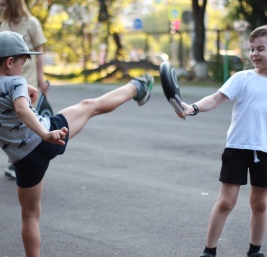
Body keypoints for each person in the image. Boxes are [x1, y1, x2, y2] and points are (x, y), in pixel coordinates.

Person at [0, 31, 154, 257]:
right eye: (23, 63)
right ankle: (137, 86)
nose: (23, 69)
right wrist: (45, 133)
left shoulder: (12, 84)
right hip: (49, 137)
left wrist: (26, 91)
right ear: (10, 61)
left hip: (23, 161)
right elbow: (22, 109)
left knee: (30, 216)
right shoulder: (16, 82)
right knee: (91, 105)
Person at [178, 25, 267, 257]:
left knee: (260, 204)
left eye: (260, 49)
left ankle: (254, 251)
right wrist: (192, 108)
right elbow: (215, 99)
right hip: (237, 148)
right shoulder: (241, 78)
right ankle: (209, 251)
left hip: (265, 151)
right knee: (226, 201)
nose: (254, 54)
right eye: (252, 49)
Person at [0, 0, 49, 179]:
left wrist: (41, 78)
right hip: (6, 81)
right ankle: (18, 159)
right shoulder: (3, 25)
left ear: (12, 4)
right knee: (10, 120)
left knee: (26, 121)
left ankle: (25, 159)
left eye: (3, 4)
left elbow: (39, 51)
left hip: (26, 78)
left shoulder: (32, 23)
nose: (0, 7)